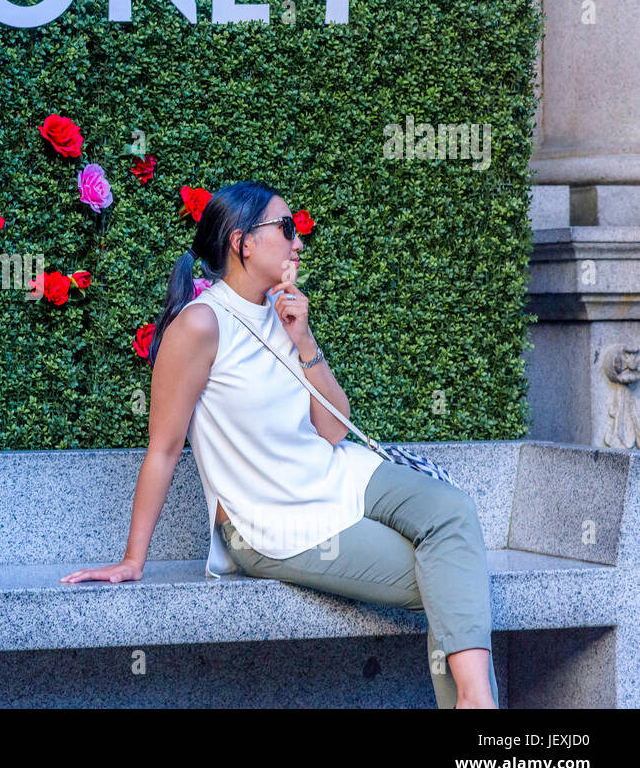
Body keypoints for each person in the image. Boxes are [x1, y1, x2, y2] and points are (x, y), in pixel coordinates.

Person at [61, 180, 499, 709]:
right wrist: (134, 560)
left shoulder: (282, 313)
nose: (298, 243)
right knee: (452, 578)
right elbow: (164, 447)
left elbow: (334, 429)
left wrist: (304, 338)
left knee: (451, 512)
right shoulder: (200, 325)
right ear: (242, 242)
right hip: (272, 521)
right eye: (286, 229)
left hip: (337, 472)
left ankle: (475, 704)